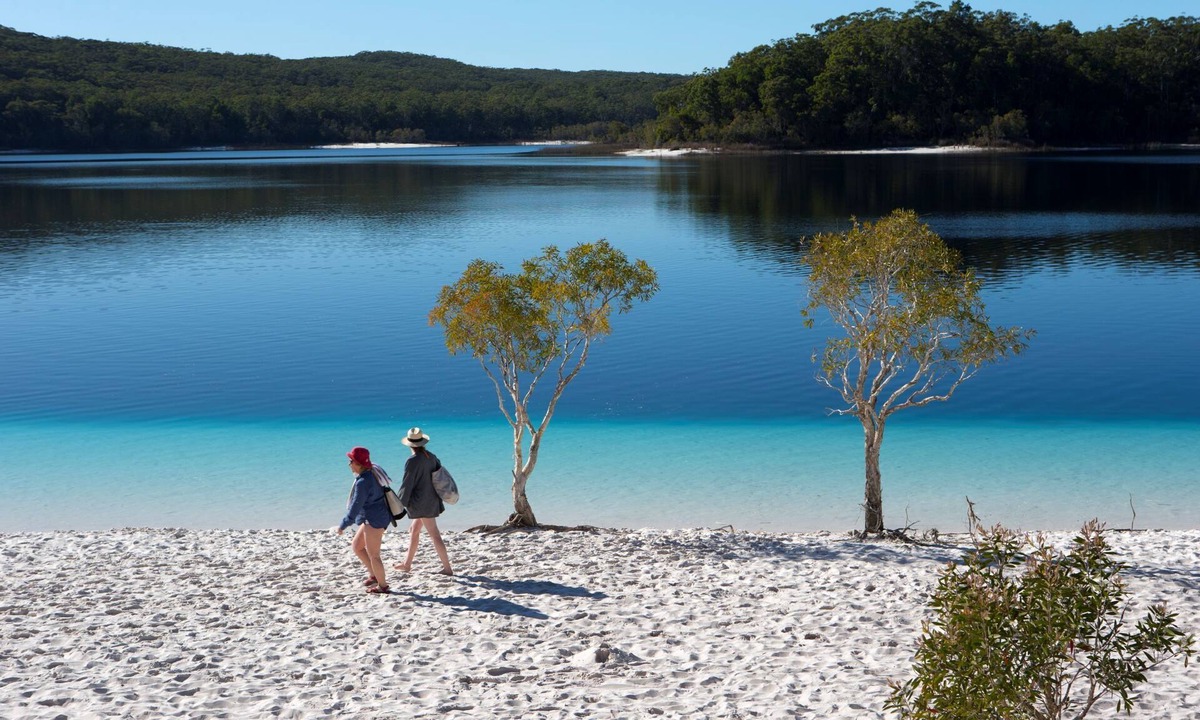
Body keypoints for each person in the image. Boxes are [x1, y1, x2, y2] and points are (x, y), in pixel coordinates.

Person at [394, 427, 454, 576]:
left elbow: (407, 483)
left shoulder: (412, 461)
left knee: (434, 534)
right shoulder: (431, 456)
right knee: (414, 531)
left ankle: (447, 569)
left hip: (421, 503)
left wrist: (398, 504)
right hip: (432, 499)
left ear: (410, 444)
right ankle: (407, 564)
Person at [337, 446, 392, 594]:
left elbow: (355, 506)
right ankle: (374, 575)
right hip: (374, 517)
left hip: (374, 519)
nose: (349, 464)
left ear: (358, 464)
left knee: (374, 555)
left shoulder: (363, 482)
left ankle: (382, 586)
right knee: (357, 546)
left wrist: (343, 524)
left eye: (351, 461)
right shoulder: (372, 472)